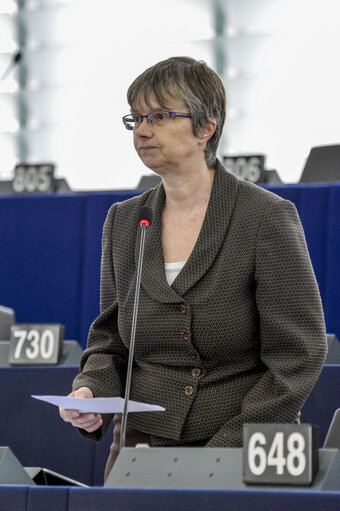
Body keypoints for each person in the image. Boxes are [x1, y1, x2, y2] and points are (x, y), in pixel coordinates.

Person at [60, 56, 328, 482]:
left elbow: (299, 354)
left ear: (207, 127)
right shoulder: (125, 220)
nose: (144, 130)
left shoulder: (265, 217)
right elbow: (110, 337)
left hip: (244, 443)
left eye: (161, 116)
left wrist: (229, 446)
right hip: (139, 446)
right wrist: (91, 391)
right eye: (137, 118)